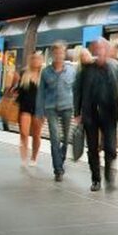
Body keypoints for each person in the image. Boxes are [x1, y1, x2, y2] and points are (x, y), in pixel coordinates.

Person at [74, 39, 118, 192]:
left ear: (107, 50)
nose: (99, 52)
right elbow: (77, 90)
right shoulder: (85, 69)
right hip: (90, 114)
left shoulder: (116, 67)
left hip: (109, 113)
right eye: (96, 49)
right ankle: (96, 180)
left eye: (102, 48)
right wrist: (77, 112)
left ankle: (109, 178)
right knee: (92, 148)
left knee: (111, 148)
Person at [36, 41, 76, 182]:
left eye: (61, 53)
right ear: (52, 54)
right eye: (56, 53)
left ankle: (61, 158)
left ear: (64, 54)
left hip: (67, 107)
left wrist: (79, 111)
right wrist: (39, 113)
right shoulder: (46, 72)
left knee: (65, 139)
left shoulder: (72, 71)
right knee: (55, 138)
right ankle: (58, 169)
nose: (59, 55)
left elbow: (76, 91)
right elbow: (41, 93)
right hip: (51, 107)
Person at [11, 52, 44, 167]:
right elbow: (16, 90)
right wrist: (14, 85)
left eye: (38, 59)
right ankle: (24, 156)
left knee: (36, 135)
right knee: (24, 133)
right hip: (24, 107)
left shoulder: (44, 75)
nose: (36, 61)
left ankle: (34, 157)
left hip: (39, 109)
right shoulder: (24, 73)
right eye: (34, 58)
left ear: (41, 61)